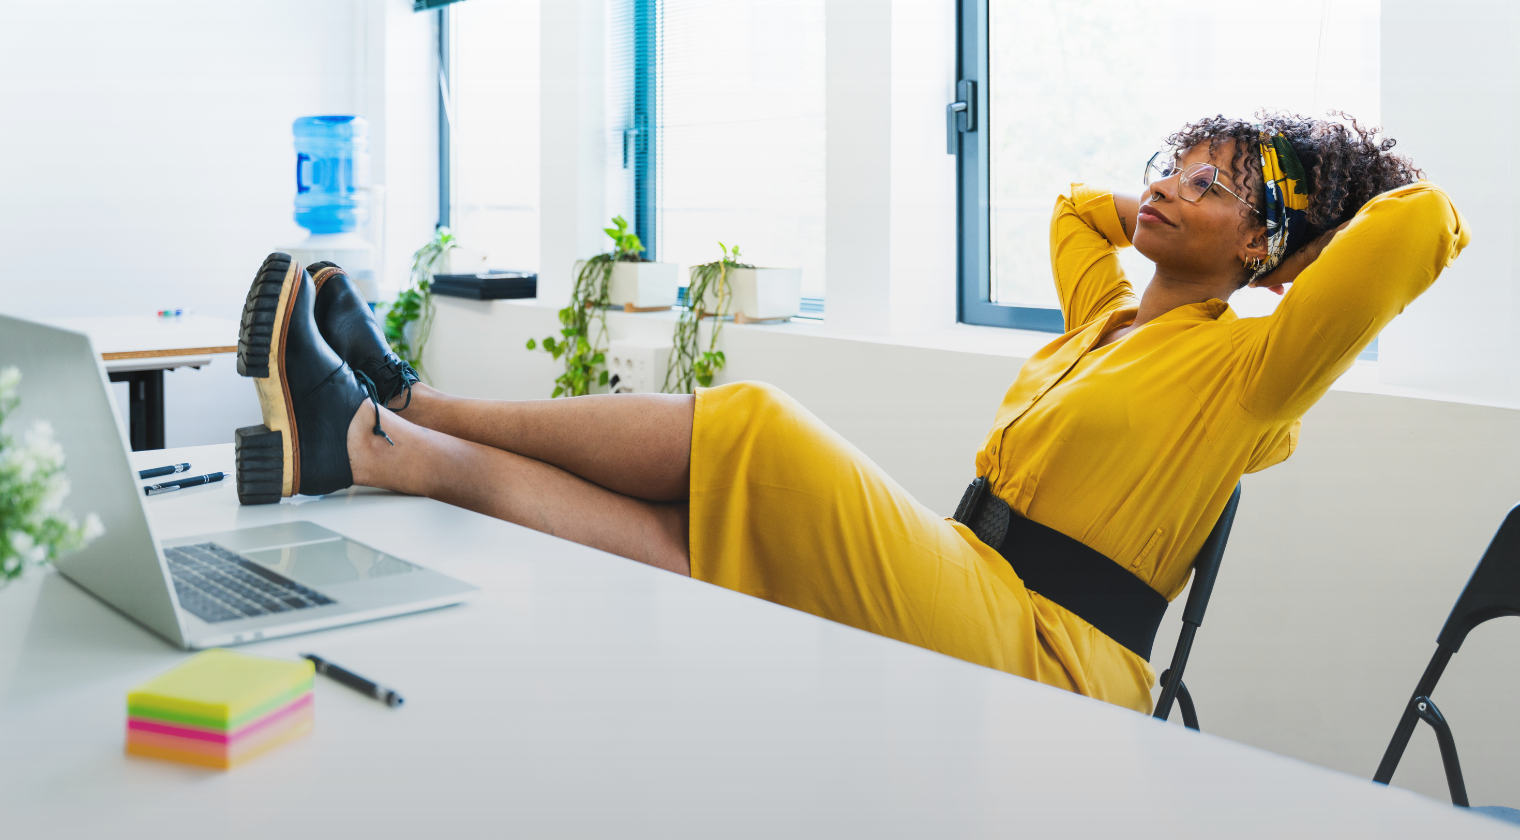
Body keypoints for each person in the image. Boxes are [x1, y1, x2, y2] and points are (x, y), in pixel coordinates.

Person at [233, 112, 1467, 714]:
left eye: (1208, 187)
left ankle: (395, 415)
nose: (1161, 187)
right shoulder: (1104, 316)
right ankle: (381, 439)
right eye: (1170, 163)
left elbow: (1421, 225)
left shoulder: (1255, 368)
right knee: (688, 549)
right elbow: (1068, 213)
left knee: (758, 423)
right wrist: (1205, 189)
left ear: (1269, 244)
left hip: (1053, 661)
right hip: (970, 584)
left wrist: (1293, 224)